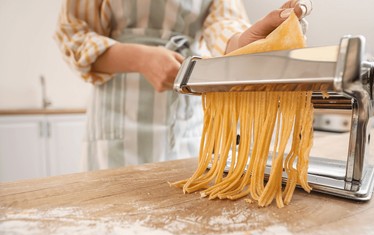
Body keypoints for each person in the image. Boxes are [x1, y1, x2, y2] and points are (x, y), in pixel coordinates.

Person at [54, 0, 307, 171]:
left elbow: (224, 26)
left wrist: (247, 43)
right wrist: (141, 58)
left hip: (186, 111)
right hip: (116, 120)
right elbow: (73, 33)